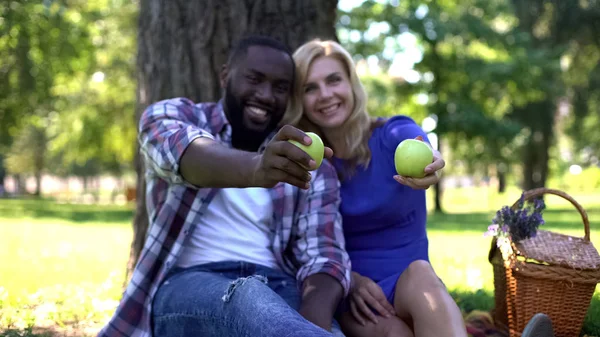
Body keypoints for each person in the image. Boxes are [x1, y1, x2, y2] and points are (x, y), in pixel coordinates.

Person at [286, 39, 557, 337]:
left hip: (410, 280)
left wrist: (431, 162)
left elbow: (418, 144)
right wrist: (351, 280)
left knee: (422, 277)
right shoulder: (309, 160)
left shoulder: (392, 133)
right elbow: (303, 239)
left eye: (333, 80)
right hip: (355, 292)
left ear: (351, 84)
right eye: (310, 88)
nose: (325, 95)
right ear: (300, 98)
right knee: (397, 333)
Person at [97, 35, 352, 337]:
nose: (266, 95)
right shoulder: (174, 115)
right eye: (254, 79)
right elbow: (183, 152)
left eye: (280, 88)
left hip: (278, 287)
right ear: (225, 75)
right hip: (188, 285)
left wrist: (312, 325)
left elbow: (324, 255)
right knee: (247, 299)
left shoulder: (309, 161)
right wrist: (257, 168)